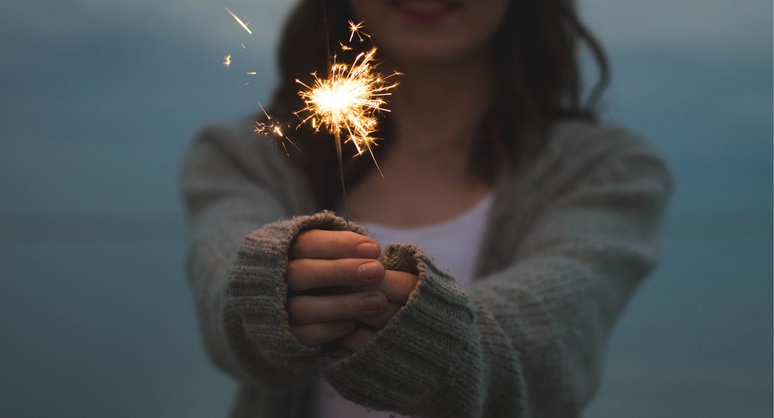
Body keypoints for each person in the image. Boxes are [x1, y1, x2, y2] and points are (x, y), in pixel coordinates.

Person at [181, 0, 672, 417]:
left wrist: (430, 331)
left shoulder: (604, 169)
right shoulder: (247, 156)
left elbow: (558, 333)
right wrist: (270, 287)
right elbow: (224, 285)